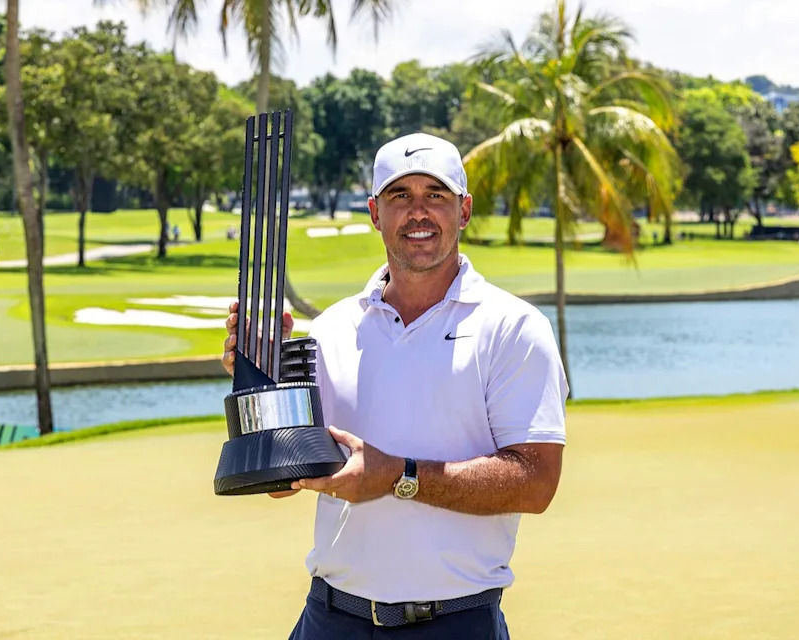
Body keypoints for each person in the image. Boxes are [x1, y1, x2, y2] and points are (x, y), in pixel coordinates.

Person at [222, 132, 568, 639]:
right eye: (399, 196)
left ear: (464, 210)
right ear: (374, 211)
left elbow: (536, 484)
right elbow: (285, 480)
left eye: (436, 195)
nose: (418, 212)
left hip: (456, 622)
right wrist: (263, 390)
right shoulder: (332, 328)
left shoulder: (513, 327)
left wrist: (396, 475)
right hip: (330, 618)